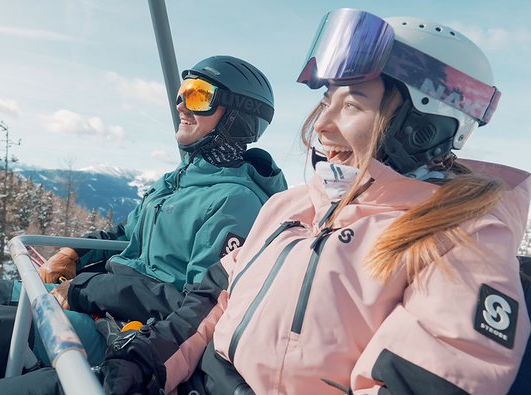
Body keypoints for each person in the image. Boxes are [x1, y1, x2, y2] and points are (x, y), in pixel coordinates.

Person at [100, 9, 531, 394]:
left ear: (423, 129)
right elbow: (214, 299)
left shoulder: (462, 241)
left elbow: (430, 376)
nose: (322, 125)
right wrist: (150, 360)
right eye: (327, 100)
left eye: (353, 105)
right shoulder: (290, 207)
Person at [0, 55, 288, 394]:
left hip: (126, 328)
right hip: (96, 297)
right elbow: (126, 233)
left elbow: (196, 304)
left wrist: (86, 289)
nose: (181, 105)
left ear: (237, 119)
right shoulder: (181, 179)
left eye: (199, 96)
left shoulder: (235, 203)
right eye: (182, 92)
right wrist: (73, 253)